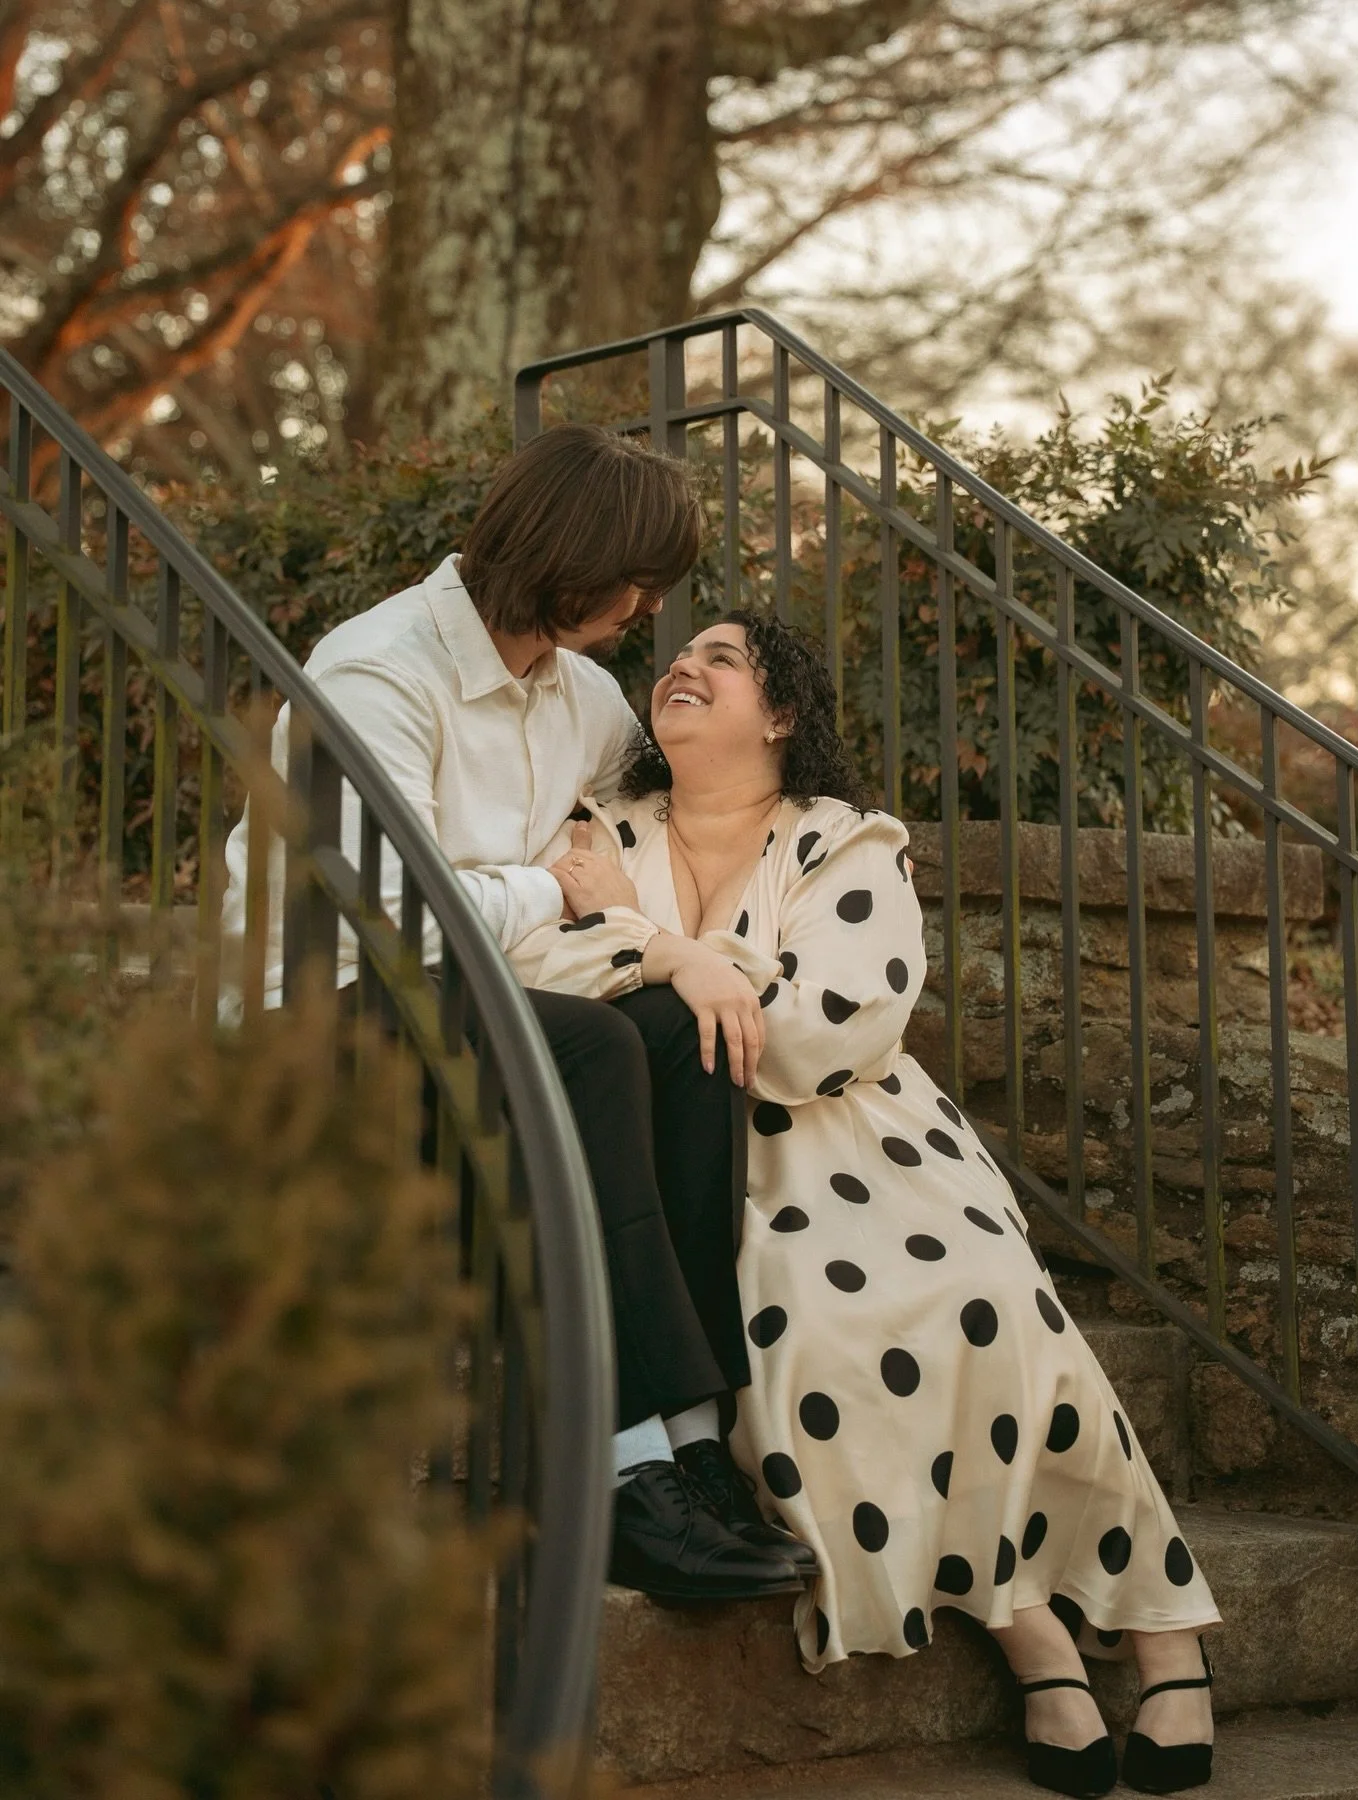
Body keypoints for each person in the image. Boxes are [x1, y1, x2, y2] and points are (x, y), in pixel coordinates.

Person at [511, 610, 1222, 1799]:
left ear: (781, 714)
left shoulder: (846, 840)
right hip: (684, 1156)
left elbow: (825, 1029)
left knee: (986, 1297)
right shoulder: (596, 825)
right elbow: (534, 964)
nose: (683, 666)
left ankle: (1164, 1630)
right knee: (815, 1330)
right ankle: (1029, 1632)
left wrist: (643, 941)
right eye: (678, 655)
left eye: (722, 659)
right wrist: (688, 961)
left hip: (861, 1139)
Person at [219, 427, 815, 1604]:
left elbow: (688, 790)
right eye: (638, 579)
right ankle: (618, 1471)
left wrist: (697, 940)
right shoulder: (379, 674)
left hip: (479, 997)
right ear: (572, 562)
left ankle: (694, 1444)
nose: (649, 607)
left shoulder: (579, 694)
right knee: (588, 1046)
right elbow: (391, 921)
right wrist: (551, 886)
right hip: (321, 1014)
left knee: (684, 1039)